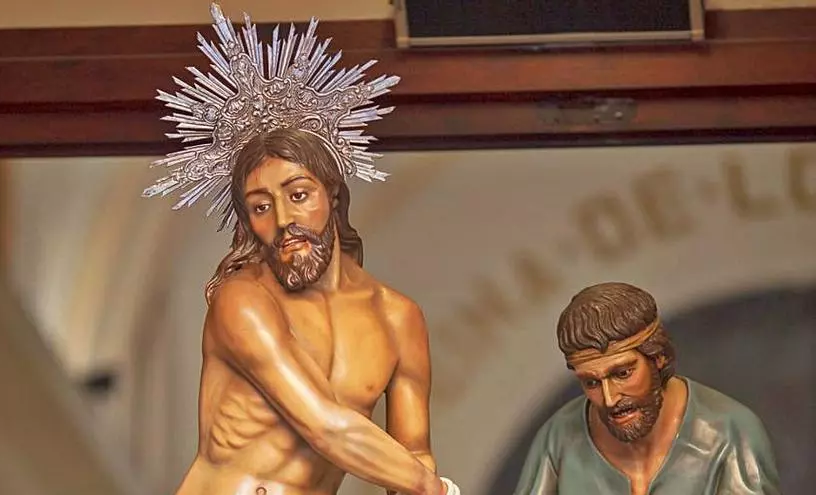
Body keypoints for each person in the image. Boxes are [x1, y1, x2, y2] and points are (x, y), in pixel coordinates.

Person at [142, 4, 459, 495]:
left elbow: (414, 453)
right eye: (260, 206)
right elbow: (326, 427)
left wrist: (424, 484)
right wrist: (438, 489)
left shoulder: (399, 319)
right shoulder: (243, 301)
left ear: (331, 193)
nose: (283, 220)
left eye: (298, 195)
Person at [514, 282, 781, 495]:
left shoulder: (729, 432)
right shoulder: (559, 438)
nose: (609, 399)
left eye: (622, 373)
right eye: (591, 382)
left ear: (658, 357)